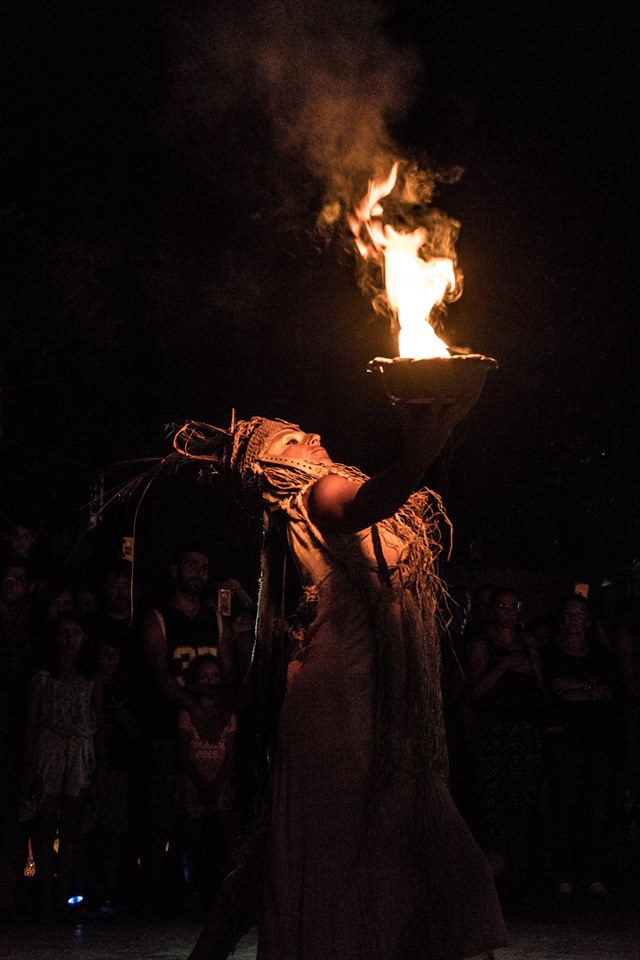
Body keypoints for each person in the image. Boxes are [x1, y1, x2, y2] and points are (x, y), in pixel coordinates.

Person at [180, 402, 506, 960]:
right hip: (342, 706)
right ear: (268, 470)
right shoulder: (316, 494)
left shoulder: (299, 511)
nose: (311, 434)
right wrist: (424, 439)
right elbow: (374, 497)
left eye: (302, 430)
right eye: (290, 442)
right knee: (342, 851)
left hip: (367, 698)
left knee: (304, 849)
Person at [468, 588, 545, 902]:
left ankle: (519, 879)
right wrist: (503, 667)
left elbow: (540, 689)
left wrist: (529, 665)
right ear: (493, 610)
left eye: (514, 607)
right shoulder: (482, 646)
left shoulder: (529, 644)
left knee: (522, 805)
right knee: (492, 805)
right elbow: (475, 693)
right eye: (503, 607)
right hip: (494, 736)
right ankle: (493, 880)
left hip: (524, 735)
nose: (509, 613)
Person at [541, 594, 621, 899]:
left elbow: (608, 692)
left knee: (594, 807)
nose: (573, 619)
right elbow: (558, 691)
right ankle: (564, 874)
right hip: (563, 736)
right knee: (564, 805)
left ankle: (593, 873)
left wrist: (581, 687)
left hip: (598, 739)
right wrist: (589, 688)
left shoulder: (601, 654)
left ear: (588, 622)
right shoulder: (550, 653)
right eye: (569, 613)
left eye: (579, 614)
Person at [21, 612, 100, 918]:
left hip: (78, 749)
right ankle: (43, 892)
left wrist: (99, 766)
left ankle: (64, 893)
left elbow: (97, 722)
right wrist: (29, 763)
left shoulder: (90, 679)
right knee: (45, 822)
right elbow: (31, 719)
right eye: (64, 633)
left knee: (71, 825)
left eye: (76, 633)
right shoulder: (44, 677)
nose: (70, 641)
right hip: (49, 747)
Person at [176, 654, 238, 917]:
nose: (210, 681)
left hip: (220, 785)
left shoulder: (229, 714)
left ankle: (220, 892)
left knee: (222, 839)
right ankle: (194, 891)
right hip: (193, 785)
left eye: (215, 676)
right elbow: (183, 752)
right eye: (203, 676)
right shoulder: (186, 713)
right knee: (193, 839)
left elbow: (232, 753)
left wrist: (217, 783)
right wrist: (202, 783)